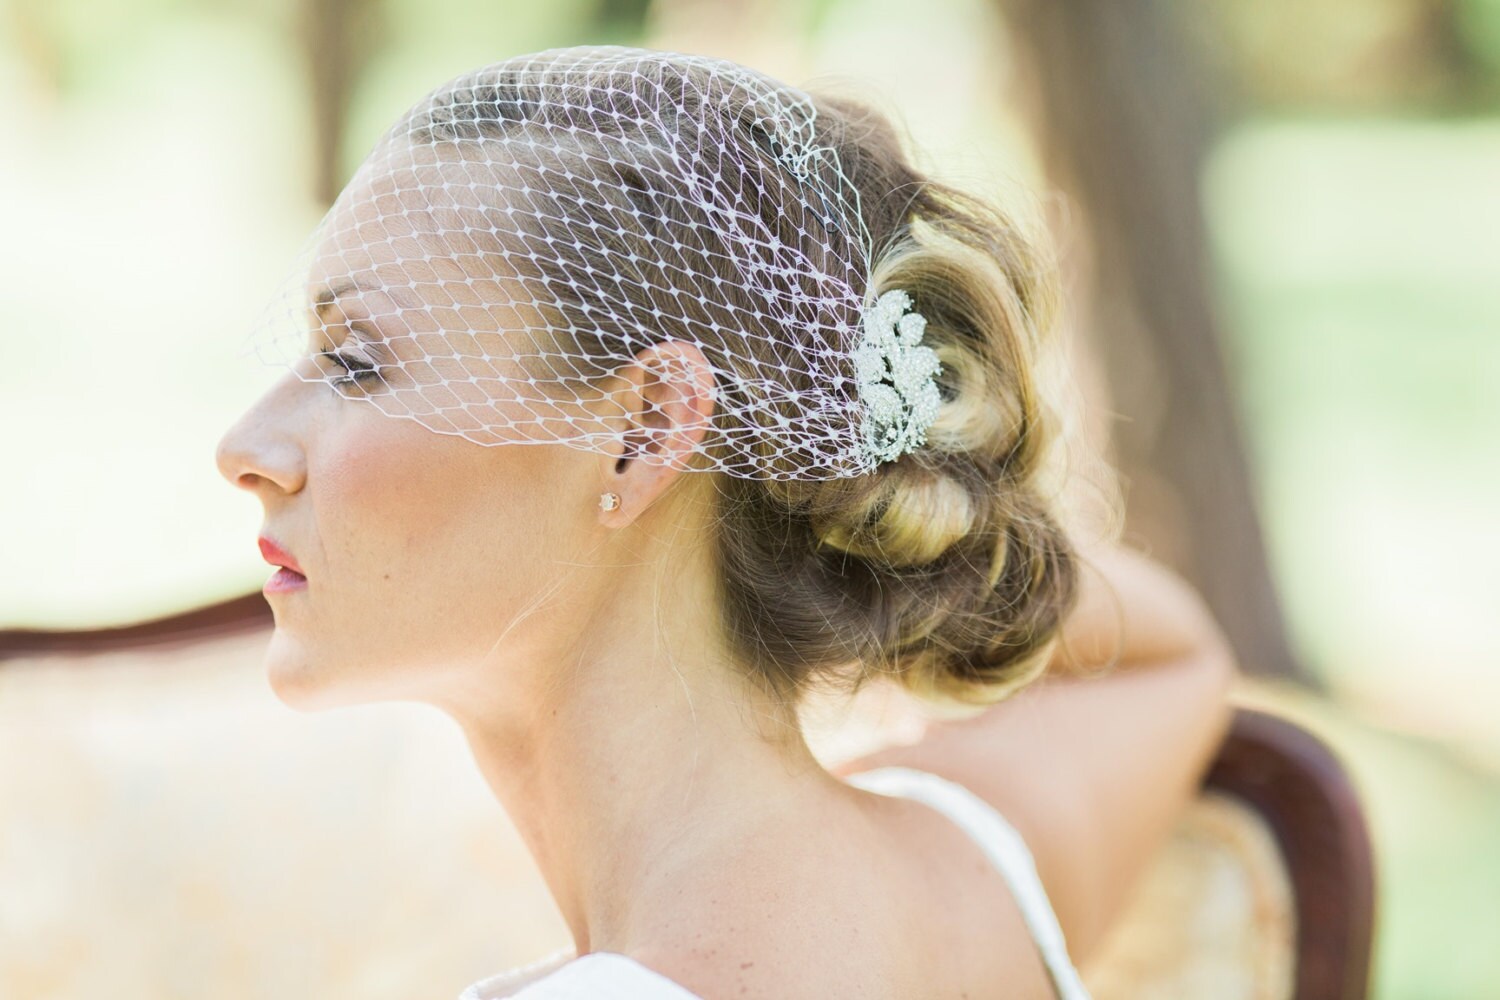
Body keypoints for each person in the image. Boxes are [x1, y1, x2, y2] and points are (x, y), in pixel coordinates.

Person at [216, 45, 1238, 998]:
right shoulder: (979, 867)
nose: (245, 447)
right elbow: (1169, 645)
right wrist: (886, 561)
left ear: (648, 428)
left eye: (356, 362)